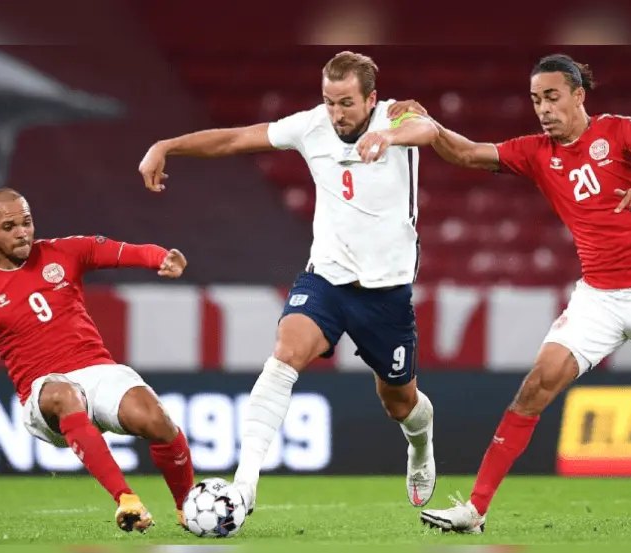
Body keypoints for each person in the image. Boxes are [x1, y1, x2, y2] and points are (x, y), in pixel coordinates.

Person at [387, 53, 631, 534]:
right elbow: (469, 153)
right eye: (536, 100)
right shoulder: (537, 152)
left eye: (552, 97)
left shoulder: (622, 132)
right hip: (599, 297)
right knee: (535, 387)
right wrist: (428, 124)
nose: (543, 109)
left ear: (579, 95)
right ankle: (475, 510)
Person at [138, 51, 440, 514]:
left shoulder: (398, 113)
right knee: (285, 353)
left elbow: (427, 129)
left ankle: (419, 445)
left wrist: (390, 135)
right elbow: (237, 139)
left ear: (371, 99)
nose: (336, 114)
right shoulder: (311, 125)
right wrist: (167, 145)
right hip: (327, 279)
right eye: (329, 101)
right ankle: (245, 484)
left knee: (399, 403)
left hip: (386, 292)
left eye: (346, 103)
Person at [0, 188, 194, 534]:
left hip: (97, 371)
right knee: (63, 392)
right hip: (42, 393)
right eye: (9, 226)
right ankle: (127, 500)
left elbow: (123, 252)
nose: (22, 232)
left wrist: (160, 258)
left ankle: (189, 511)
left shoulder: (64, 252)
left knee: (157, 419)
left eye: (27, 222)